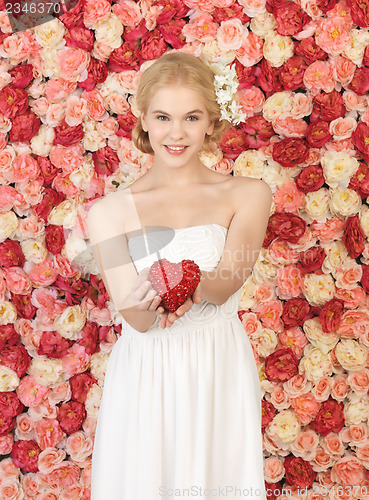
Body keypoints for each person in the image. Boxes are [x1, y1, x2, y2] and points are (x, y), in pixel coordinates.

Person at [88, 51, 273, 500]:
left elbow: (230, 276)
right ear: (145, 122)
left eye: (191, 117)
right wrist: (164, 296)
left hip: (218, 361)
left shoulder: (247, 194)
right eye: (163, 117)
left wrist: (187, 284)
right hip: (148, 367)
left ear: (212, 121)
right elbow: (136, 317)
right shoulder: (109, 212)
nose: (176, 132)